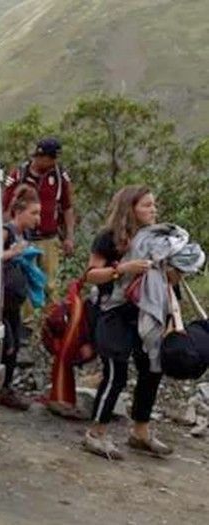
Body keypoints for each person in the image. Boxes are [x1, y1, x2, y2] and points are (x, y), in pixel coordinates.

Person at [82, 185, 172, 460]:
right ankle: (96, 433)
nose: (153, 210)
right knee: (115, 372)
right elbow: (91, 274)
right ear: (130, 209)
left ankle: (140, 432)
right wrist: (122, 269)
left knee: (152, 369)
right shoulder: (109, 238)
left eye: (154, 204)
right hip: (113, 311)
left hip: (147, 312)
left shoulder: (158, 239)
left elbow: (169, 279)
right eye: (147, 205)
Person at [3, 138, 76, 302]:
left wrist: (69, 237)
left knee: (50, 285)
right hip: (24, 239)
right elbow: (6, 207)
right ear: (41, 157)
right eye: (51, 158)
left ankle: (50, 315)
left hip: (49, 239)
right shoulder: (18, 175)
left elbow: (67, 207)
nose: (54, 162)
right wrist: (10, 234)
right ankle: (27, 318)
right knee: (25, 283)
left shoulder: (59, 176)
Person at [0, 184, 42, 410]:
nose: (37, 219)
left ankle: (7, 387)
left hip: (15, 299)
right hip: (3, 300)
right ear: (19, 211)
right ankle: (1, 387)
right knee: (8, 343)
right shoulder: (7, 231)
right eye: (33, 213)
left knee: (15, 344)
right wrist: (13, 253)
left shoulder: (25, 234)